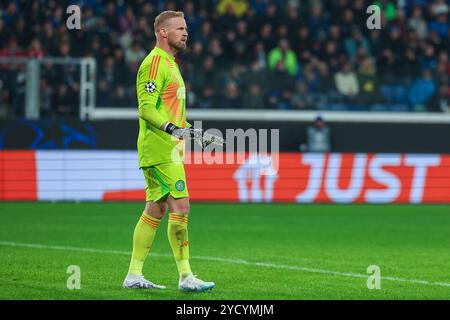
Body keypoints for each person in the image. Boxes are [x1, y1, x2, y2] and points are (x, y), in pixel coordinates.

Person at [123, 11, 215, 292]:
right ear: (163, 32)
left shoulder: (171, 64)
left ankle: (133, 275)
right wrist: (173, 130)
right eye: (179, 28)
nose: (185, 33)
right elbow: (146, 108)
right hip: (160, 149)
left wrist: (190, 131)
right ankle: (186, 276)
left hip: (168, 149)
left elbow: (169, 112)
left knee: (156, 208)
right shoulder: (154, 64)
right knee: (181, 206)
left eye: (186, 28)